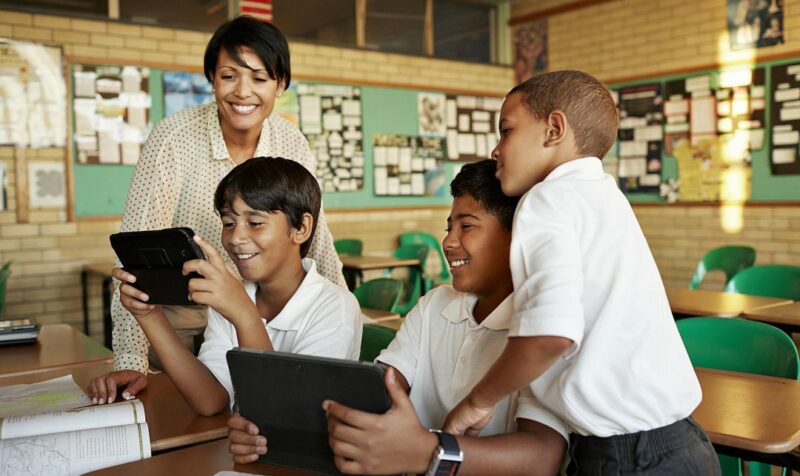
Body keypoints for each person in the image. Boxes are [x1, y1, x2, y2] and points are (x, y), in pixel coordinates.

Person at [443, 71, 720, 475]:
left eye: (506, 131)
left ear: (554, 129)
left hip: (628, 458)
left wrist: (477, 401)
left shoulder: (546, 199)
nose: (496, 149)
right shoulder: (604, 194)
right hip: (682, 445)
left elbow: (550, 334)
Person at [227, 160, 568, 474]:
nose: (448, 241)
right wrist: (269, 429)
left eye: (467, 226)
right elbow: (376, 390)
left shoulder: (544, 328)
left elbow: (543, 457)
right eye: (449, 226)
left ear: (517, 236)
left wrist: (431, 452)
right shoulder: (436, 305)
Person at [97, 16, 347, 396]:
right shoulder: (174, 138)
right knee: (181, 411)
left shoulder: (292, 142)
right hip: (177, 308)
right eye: (229, 76)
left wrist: (340, 308)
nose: (243, 92)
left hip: (254, 306)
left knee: (261, 402)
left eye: (259, 78)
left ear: (280, 84)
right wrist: (131, 360)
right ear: (211, 79)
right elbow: (134, 255)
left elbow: (318, 237)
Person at [88, 157, 361, 415]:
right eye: (229, 223)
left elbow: (282, 411)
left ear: (300, 228)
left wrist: (243, 313)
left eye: (255, 223)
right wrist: (150, 316)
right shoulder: (231, 296)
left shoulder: (335, 308)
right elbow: (210, 400)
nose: (236, 238)